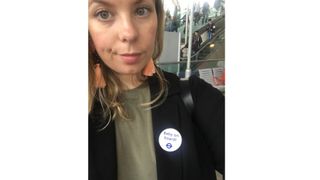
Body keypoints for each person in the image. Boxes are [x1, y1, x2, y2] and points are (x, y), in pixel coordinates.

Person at [88, 0, 225, 180]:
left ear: (158, 18)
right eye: (103, 14)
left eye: (141, 11)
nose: (128, 33)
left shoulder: (196, 98)